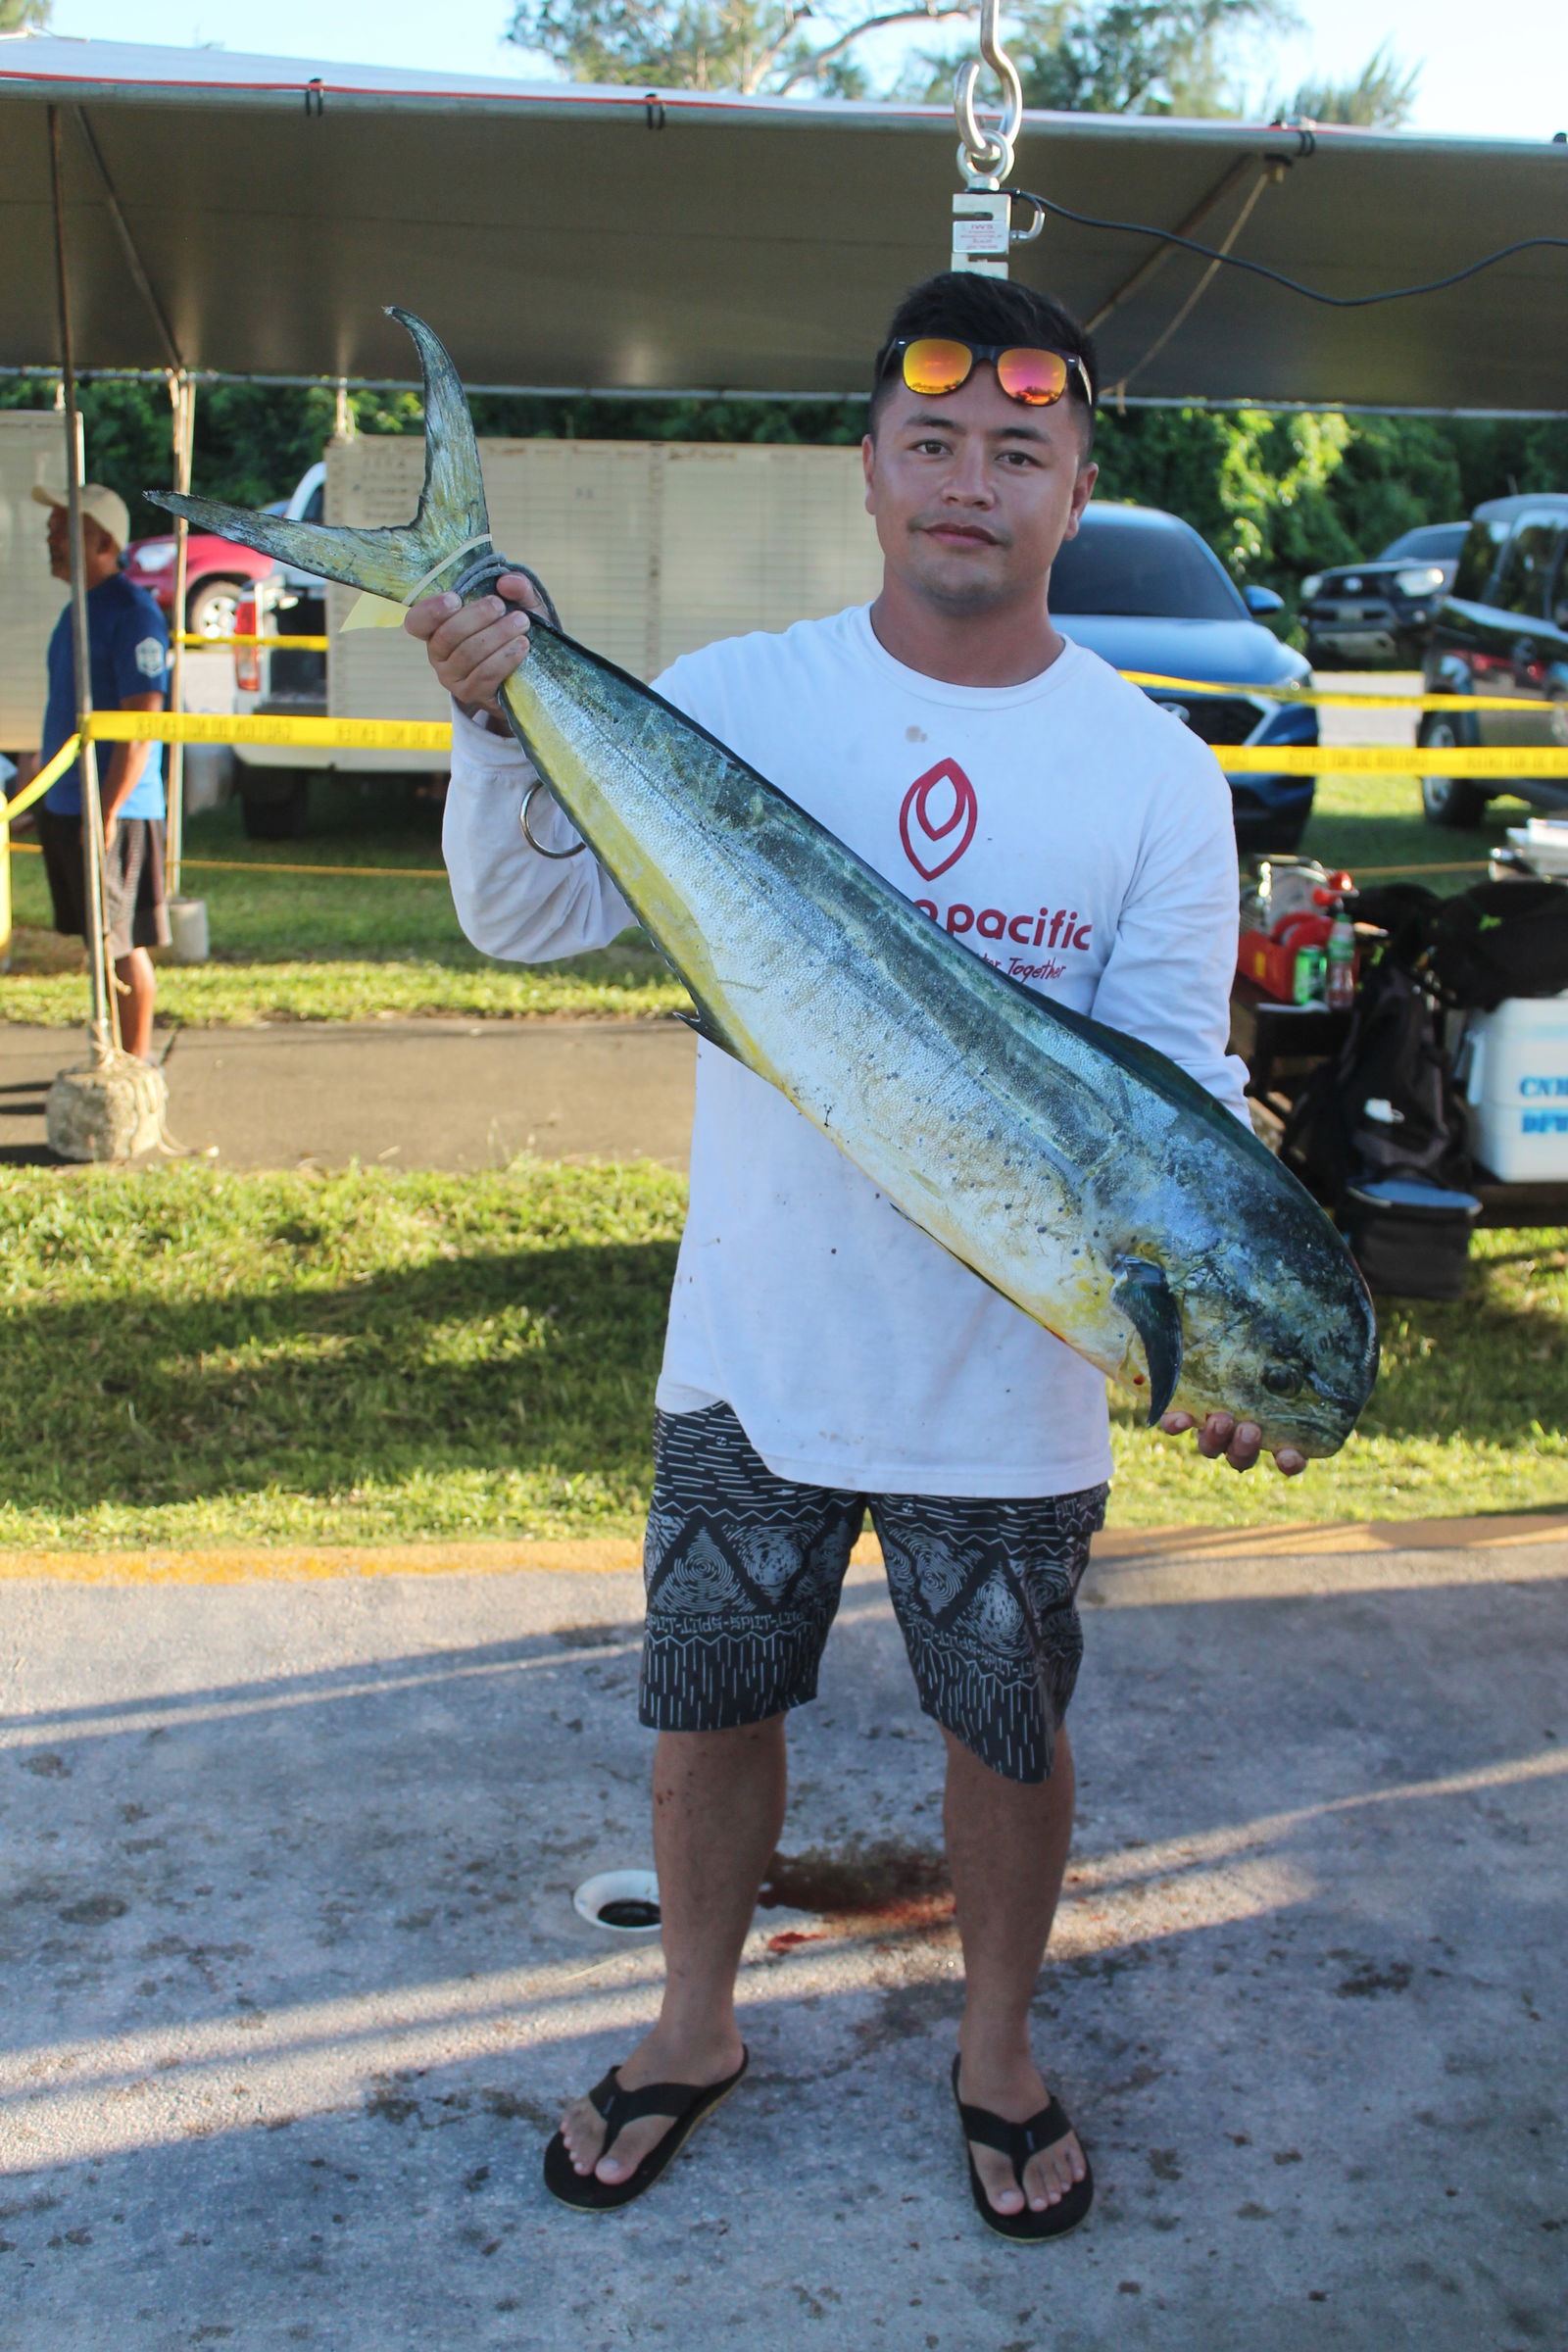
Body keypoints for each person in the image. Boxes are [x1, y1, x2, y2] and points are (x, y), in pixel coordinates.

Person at [414, 270, 1305, 2241]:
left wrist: (1220, 1345)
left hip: (1005, 1389)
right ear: (870, 470)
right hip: (755, 1340)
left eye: (1014, 449)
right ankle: (692, 2022)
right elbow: (523, 918)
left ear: (1075, 480)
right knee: (706, 1707)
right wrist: (499, 711)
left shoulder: (1154, 774)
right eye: (930, 444)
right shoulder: (738, 698)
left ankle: (993, 2051)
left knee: (1005, 1725)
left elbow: (1165, 1100)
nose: (966, 483)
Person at [32, 482, 171, 1061]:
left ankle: (134, 1075)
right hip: (68, 804)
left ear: (105, 540)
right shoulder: (77, 610)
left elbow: (142, 722)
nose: (51, 539)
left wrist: (107, 810)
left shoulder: (133, 612)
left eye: (65, 528)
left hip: (116, 809)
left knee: (122, 945)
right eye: (52, 528)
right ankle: (109, 1056)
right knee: (98, 942)